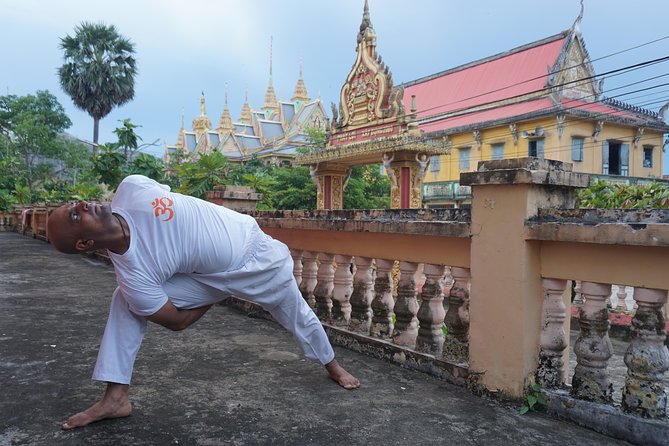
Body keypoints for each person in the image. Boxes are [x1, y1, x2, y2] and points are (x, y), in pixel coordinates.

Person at [47, 175, 360, 430]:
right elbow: (177, 321)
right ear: (85, 243)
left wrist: (219, 282)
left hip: (261, 257)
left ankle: (332, 365)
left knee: (296, 314)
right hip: (212, 278)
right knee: (125, 300)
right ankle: (116, 397)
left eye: (76, 204)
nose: (85, 204)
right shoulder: (134, 278)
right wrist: (218, 289)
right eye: (77, 214)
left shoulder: (131, 188)